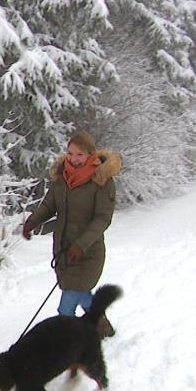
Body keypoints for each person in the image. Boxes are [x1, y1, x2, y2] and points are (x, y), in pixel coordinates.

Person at [22, 131, 121, 331]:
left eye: (80, 155)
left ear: (90, 155)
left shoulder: (102, 181)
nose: (74, 159)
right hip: (64, 250)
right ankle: (100, 323)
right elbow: (49, 205)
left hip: (88, 252)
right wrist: (33, 221)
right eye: (70, 153)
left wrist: (81, 245)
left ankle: (63, 341)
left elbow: (103, 219)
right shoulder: (62, 178)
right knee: (79, 291)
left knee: (66, 305)